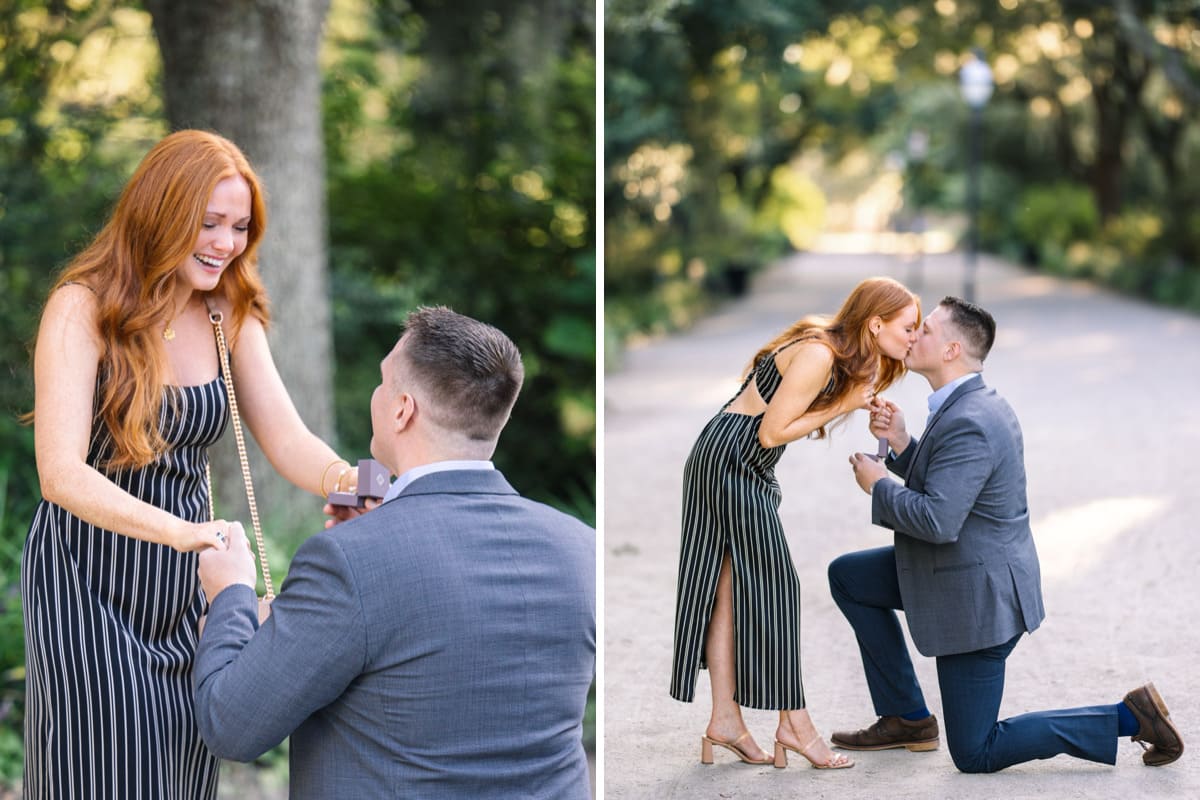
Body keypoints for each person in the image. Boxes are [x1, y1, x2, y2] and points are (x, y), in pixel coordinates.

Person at [21, 130, 360, 800]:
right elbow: (59, 474)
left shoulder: (224, 311)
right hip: (86, 576)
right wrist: (184, 533)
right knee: (100, 769)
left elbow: (288, 438)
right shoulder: (81, 306)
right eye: (207, 223)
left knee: (178, 768)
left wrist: (359, 484)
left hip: (186, 585)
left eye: (238, 227)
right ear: (161, 212)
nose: (225, 243)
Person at [192, 307, 596, 799]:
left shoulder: (348, 562)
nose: (376, 396)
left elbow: (232, 725)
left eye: (383, 383)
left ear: (403, 409)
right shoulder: (580, 547)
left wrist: (230, 594)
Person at [832, 296, 1184, 772]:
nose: (913, 335)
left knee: (975, 752)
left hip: (977, 600)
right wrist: (900, 443)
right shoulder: (965, 403)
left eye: (927, 330)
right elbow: (954, 488)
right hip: (961, 568)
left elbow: (939, 520)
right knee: (850, 578)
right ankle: (906, 717)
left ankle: (1128, 717)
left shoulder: (971, 420)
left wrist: (880, 487)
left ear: (953, 349)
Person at [669, 277, 921, 770]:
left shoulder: (841, 357)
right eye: (909, 327)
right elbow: (771, 433)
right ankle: (795, 725)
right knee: (778, 585)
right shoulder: (820, 353)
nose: (914, 336)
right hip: (731, 462)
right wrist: (842, 405)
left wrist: (862, 411)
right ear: (875, 323)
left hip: (736, 462)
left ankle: (725, 720)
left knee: (727, 589)